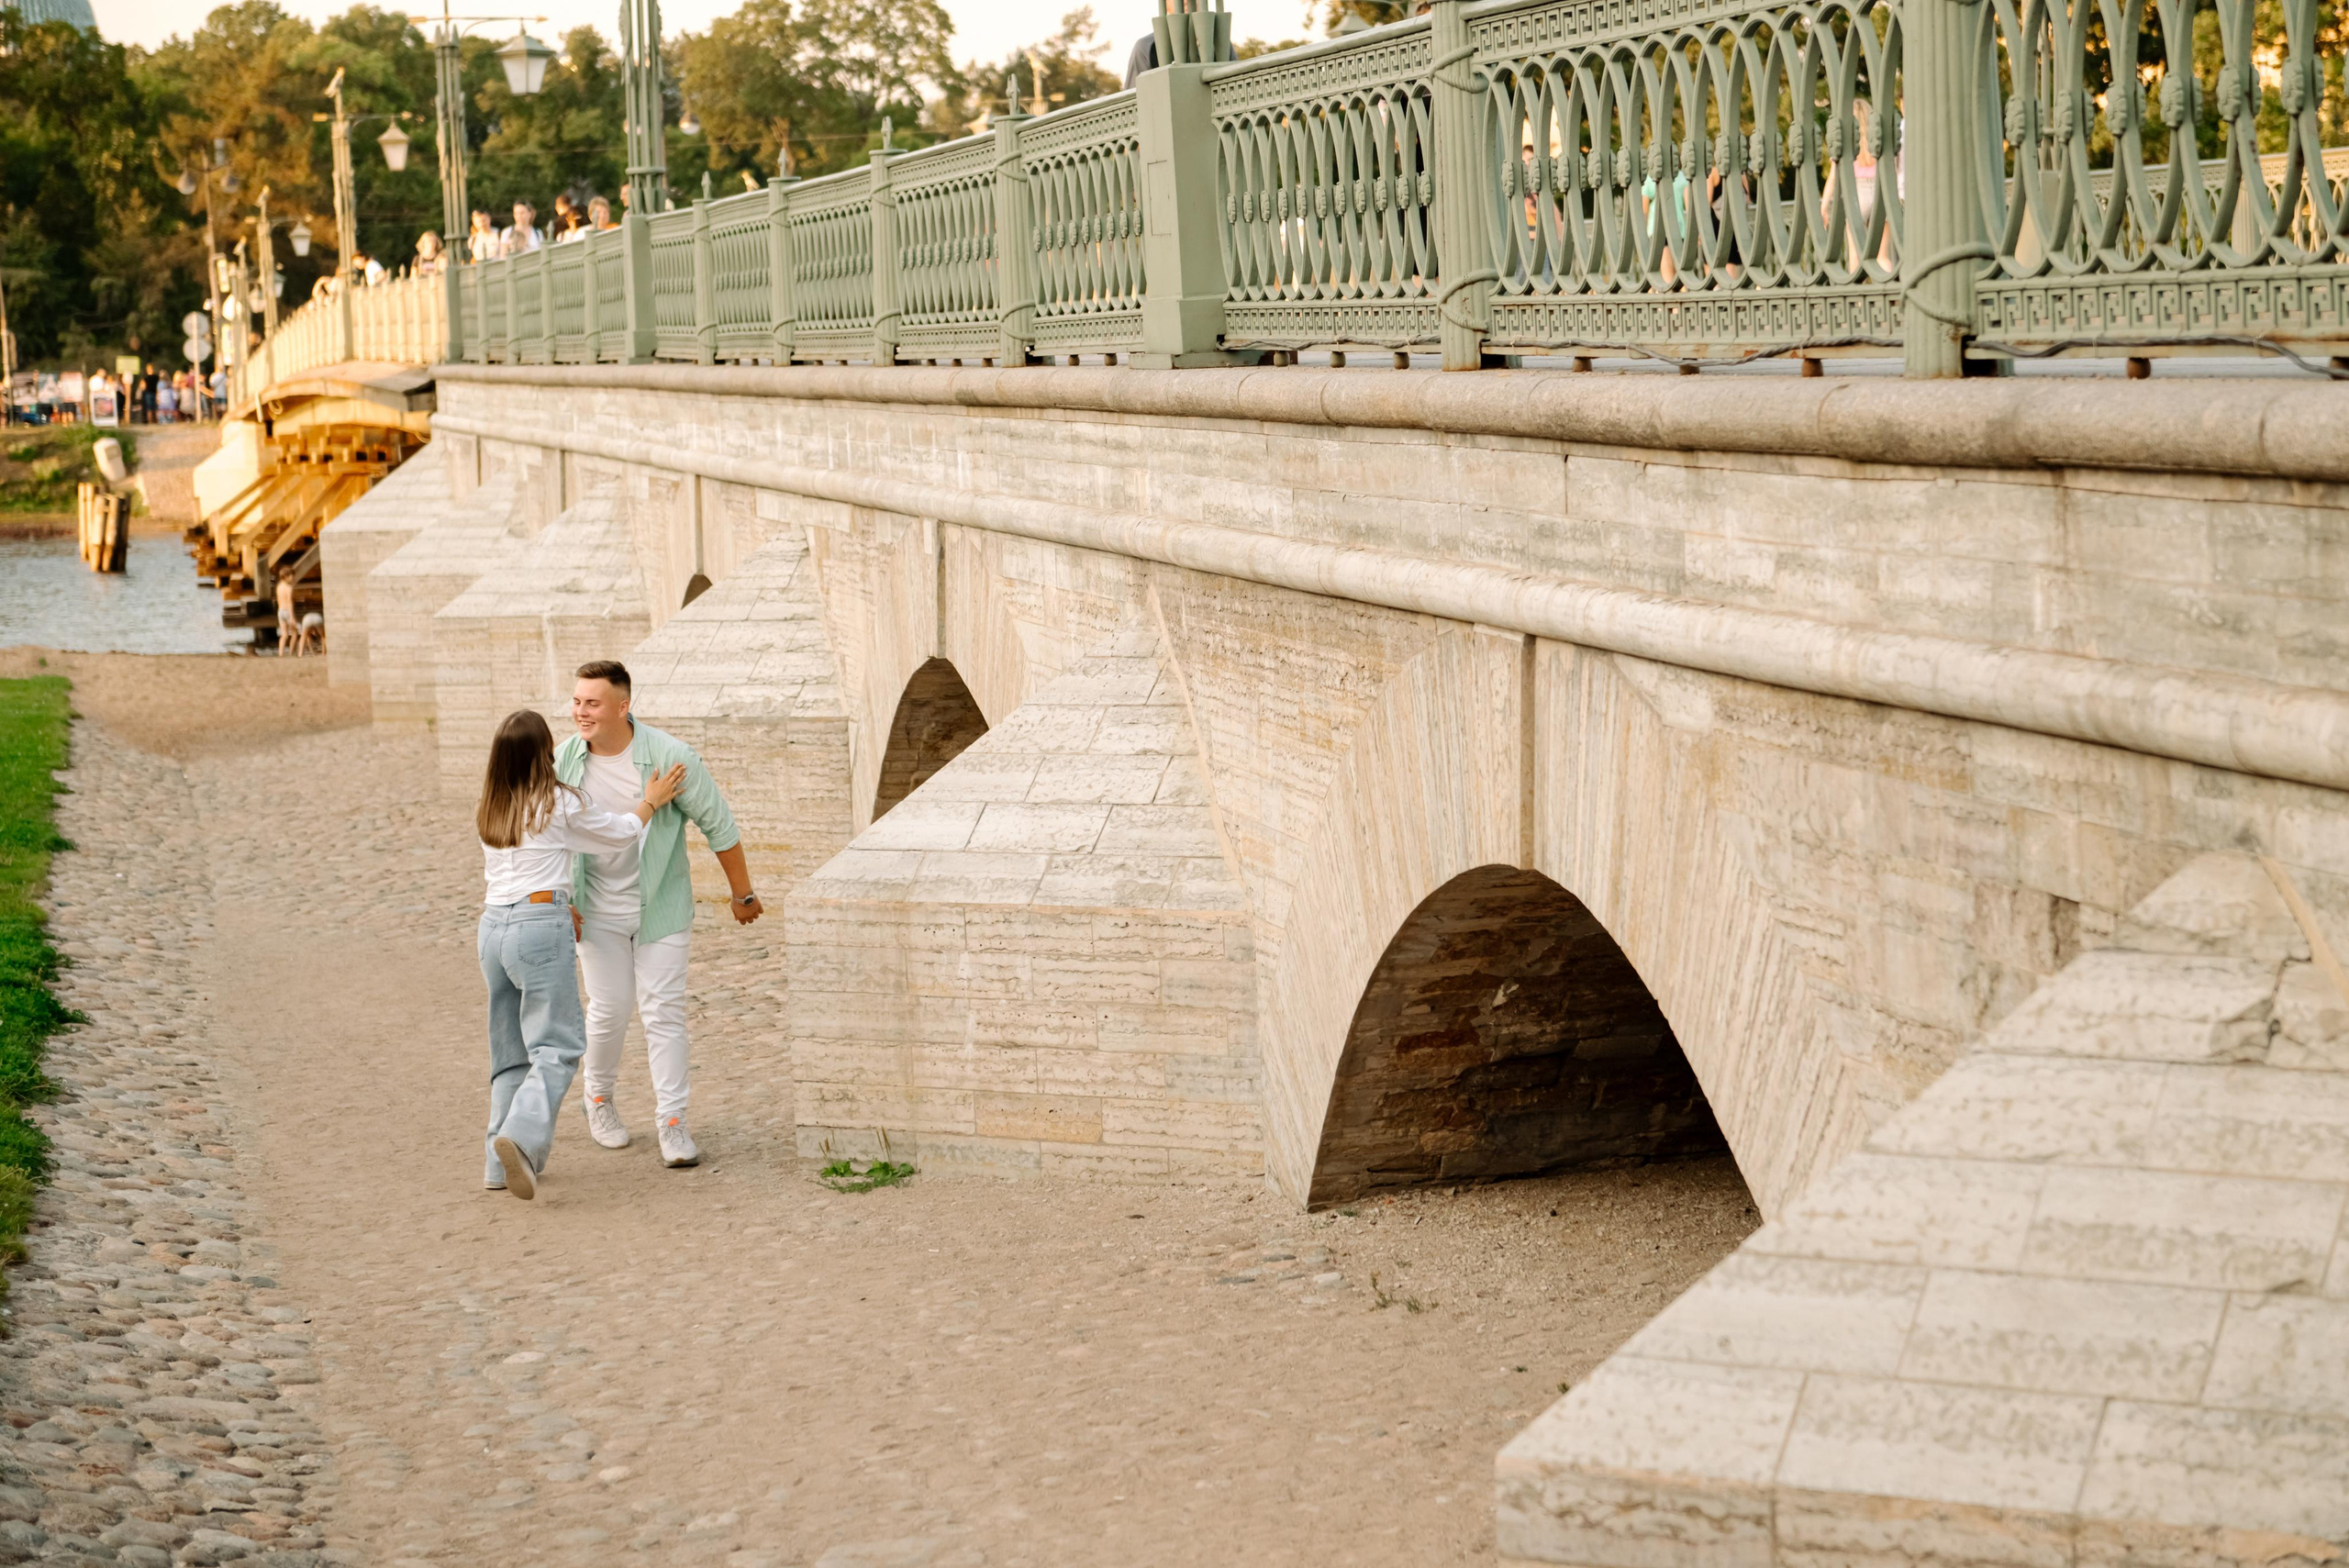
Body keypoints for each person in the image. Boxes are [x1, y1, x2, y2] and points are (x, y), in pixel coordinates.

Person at [555, 661, 763, 1169]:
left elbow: (720, 825)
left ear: (622, 707)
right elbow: (545, 834)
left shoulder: (669, 757)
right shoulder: (563, 760)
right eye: (578, 701)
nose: (581, 711)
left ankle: (673, 1122)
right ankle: (598, 1100)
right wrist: (565, 899)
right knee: (609, 1010)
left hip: (662, 909)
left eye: (592, 702)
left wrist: (743, 895)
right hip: (594, 912)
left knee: (663, 1012)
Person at [476, 708, 686, 1201]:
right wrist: (650, 802)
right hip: (537, 925)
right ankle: (522, 1139)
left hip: (492, 928)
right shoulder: (558, 802)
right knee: (559, 1047)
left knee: (511, 1054)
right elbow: (616, 835)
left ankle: (496, 1164)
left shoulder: (491, 804)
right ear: (542, 752)